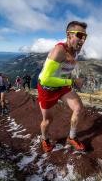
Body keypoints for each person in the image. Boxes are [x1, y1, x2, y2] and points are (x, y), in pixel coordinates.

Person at [38, 21, 88, 152]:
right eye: (79, 35)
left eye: (85, 36)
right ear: (69, 35)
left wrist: (69, 79)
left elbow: (66, 68)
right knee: (48, 120)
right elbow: (45, 79)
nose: (82, 39)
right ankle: (44, 139)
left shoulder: (76, 50)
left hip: (62, 86)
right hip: (47, 89)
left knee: (78, 108)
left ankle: (71, 137)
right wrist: (71, 82)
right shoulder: (59, 51)